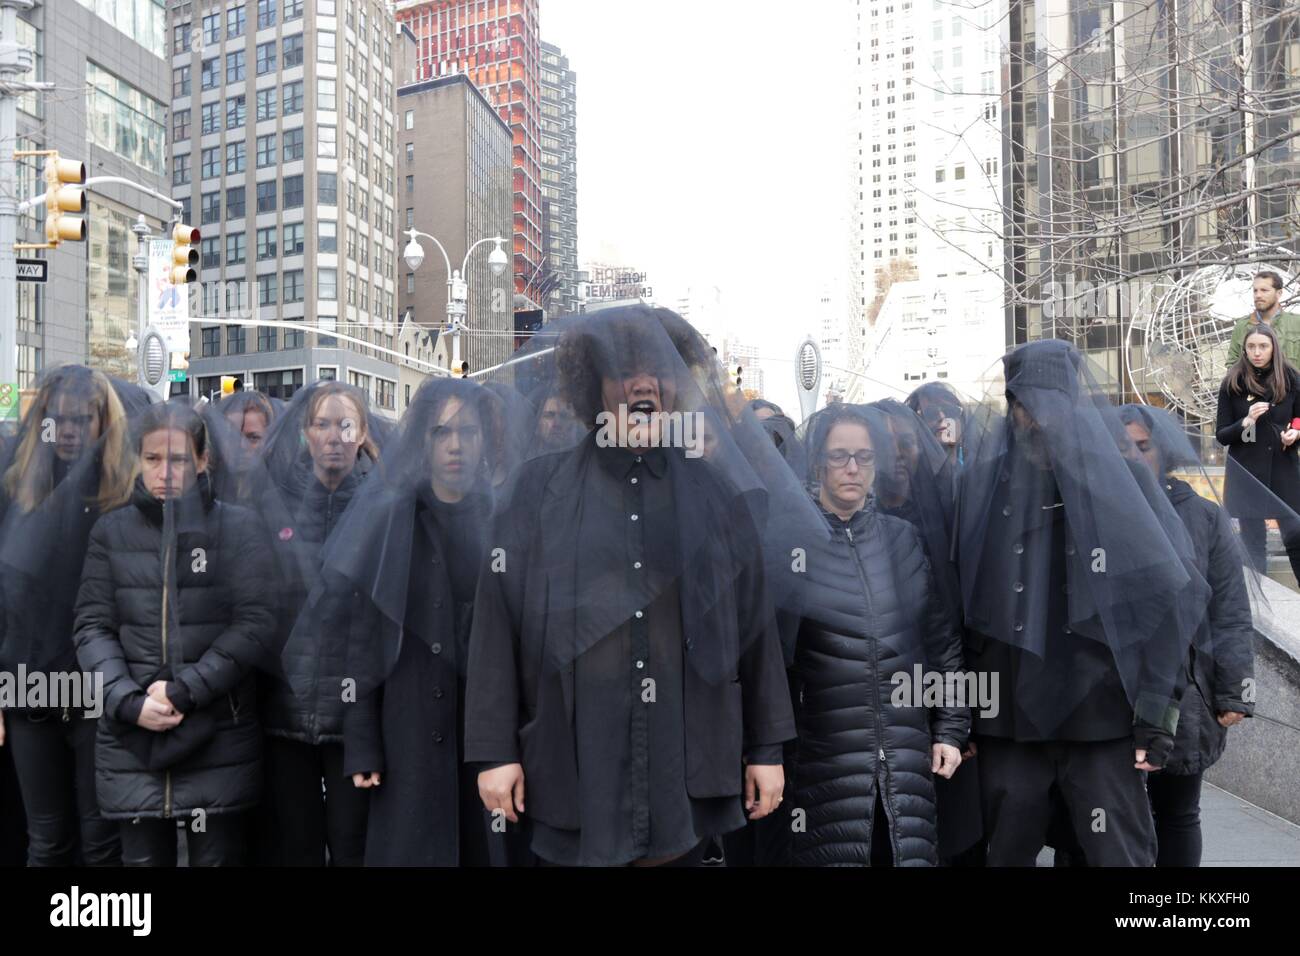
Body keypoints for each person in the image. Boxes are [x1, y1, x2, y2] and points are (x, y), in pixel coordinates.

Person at [465, 306, 799, 867]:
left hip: (684, 757)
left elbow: (754, 626)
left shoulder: (718, 495)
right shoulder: (535, 491)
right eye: (624, 370)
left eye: (658, 369)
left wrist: (766, 748)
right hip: (573, 758)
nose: (643, 383)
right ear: (595, 386)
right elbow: (496, 622)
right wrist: (495, 751)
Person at [954, 339, 1207, 866]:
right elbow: (949, 607)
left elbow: (1170, 598)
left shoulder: (1124, 483)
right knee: (1005, 849)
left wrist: (1157, 716)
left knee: (1119, 854)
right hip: (1006, 714)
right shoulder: (978, 485)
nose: (1040, 419)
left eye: (1052, 404)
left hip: (1101, 712)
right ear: (1013, 407)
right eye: (1027, 405)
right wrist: (957, 715)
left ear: (1073, 404)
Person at [73, 402, 276, 866]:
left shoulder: (237, 528)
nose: (165, 472)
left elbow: (255, 622)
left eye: (179, 459)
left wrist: (187, 690)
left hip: (216, 734)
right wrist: (127, 700)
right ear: (138, 461)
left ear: (203, 461)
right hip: (132, 740)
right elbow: (92, 626)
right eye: (152, 459)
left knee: (216, 858)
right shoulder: (111, 532)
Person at [325, 378, 507, 866]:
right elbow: (361, 639)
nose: (454, 444)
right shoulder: (392, 520)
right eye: (441, 431)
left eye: (467, 432)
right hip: (406, 734)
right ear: (423, 441)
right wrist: (361, 742)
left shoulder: (502, 521)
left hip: (483, 739)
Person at [784, 403, 967, 866]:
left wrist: (950, 728)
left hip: (908, 763)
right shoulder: (791, 544)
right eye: (839, 455)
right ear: (817, 462)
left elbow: (941, 641)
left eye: (864, 458)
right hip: (825, 766)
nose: (852, 468)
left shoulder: (903, 538)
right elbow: (773, 662)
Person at [0, 366, 133, 867]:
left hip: (98, 689)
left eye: (82, 419)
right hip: (28, 684)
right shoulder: (14, 491)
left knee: (101, 843)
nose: (70, 430)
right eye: (59, 420)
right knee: (48, 840)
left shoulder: (124, 494)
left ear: (103, 423)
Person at [1119, 405, 1255, 866]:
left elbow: (1231, 611)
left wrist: (1233, 692)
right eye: (1121, 450)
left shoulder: (1203, 517)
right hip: (1107, 692)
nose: (1132, 459)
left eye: (1142, 447)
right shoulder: (1091, 512)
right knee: (1105, 817)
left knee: (1177, 812)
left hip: (1185, 692)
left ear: (1164, 451)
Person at [254, 382, 379, 866]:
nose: (333, 435)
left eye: (345, 424)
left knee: (352, 845)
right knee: (297, 847)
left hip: (353, 723)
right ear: (305, 434)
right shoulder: (278, 503)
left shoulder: (382, 506)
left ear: (362, 432)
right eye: (322, 424)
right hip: (286, 713)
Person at [1215, 322, 1300, 585]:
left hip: (1283, 469)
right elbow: (1222, 434)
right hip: (1246, 472)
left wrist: (1295, 433)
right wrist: (1246, 421)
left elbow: (1298, 416)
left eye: (1263, 346)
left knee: (1295, 535)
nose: (1257, 352)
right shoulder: (1233, 382)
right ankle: (1259, 609)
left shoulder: (1291, 377)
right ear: (1245, 350)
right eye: (1251, 346)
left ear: (1273, 347)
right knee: (1253, 544)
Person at [1225, 270, 1300, 369]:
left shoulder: (1296, 323)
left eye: (1264, 290)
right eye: (1255, 291)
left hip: (1291, 383)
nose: (1258, 295)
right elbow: (1232, 365)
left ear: (1279, 293)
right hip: (1252, 384)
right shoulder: (1242, 326)